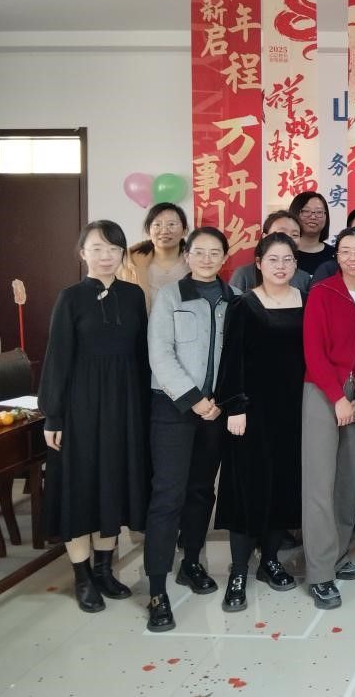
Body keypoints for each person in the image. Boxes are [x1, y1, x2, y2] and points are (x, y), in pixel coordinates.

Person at [40, 220, 149, 613]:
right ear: (82, 253)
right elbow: (57, 359)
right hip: (80, 408)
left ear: (122, 254)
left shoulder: (133, 295)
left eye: (114, 249)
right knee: (80, 487)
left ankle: (104, 570)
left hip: (124, 406)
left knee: (112, 484)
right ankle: (83, 577)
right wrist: (53, 416)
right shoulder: (70, 298)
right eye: (97, 248)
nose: (106, 256)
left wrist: (146, 408)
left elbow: (142, 355)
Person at [144, 227, 237, 632]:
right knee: (168, 494)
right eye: (199, 251)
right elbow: (160, 354)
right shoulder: (170, 297)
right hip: (174, 407)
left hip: (216, 410)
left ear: (225, 258)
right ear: (187, 255)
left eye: (214, 252)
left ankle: (192, 562)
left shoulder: (235, 299)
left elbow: (237, 357)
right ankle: (157, 589)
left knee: (202, 490)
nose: (206, 258)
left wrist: (220, 402)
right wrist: (194, 398)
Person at [213, 232, 305, 612]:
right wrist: (234, 406)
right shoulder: (244, 305)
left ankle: (269, 560)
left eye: (287, 260)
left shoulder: (306, 300)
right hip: (251, 413)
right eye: (273, 260)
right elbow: (231, 360)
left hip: (295, 411)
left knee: (283, 486)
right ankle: (238, 571)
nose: (281, 267)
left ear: (296, 264)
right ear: (259, 264)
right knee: (247, 488)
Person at [301, 226, 355, 610]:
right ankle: (319, 572)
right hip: (322, 391)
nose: (352, 257)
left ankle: (340, 551)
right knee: (319, 482)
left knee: (349, 478)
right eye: (345, 250)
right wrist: (337, 398)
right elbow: (313, 351)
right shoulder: (323, 292)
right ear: (337, 256)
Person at [120, 202, 189, 311]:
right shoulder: (129, 262)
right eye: (157, 224)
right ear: (148, 231)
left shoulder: (196, 263)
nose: (164, 231)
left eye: (171, 224)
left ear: (185, 231)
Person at [230, 210, 312, 293]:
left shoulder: (304, 278)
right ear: (264, 237)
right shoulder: (244, 274)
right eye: (281, 233)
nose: (288, 238)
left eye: (294, 235)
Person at [289, 192, 336, 276]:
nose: (313, 217)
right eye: (306, 211)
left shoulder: (335, 255)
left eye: (319, 212)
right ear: (295, 213)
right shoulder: (285, 253)